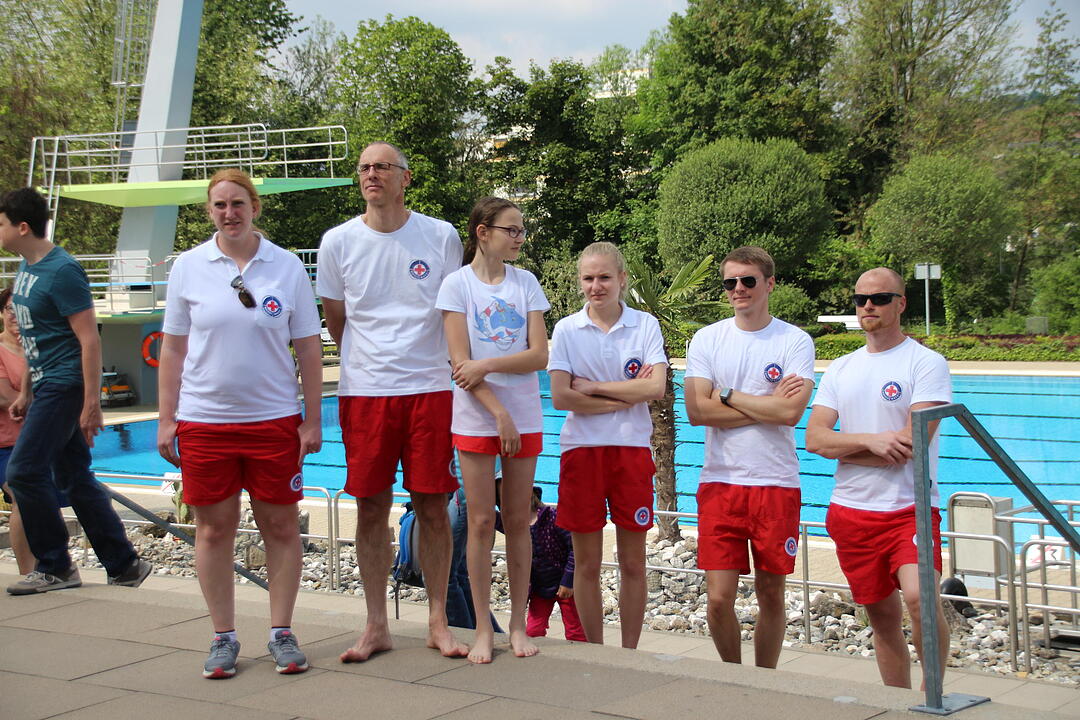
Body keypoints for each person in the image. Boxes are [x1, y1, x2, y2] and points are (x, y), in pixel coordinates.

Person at [156, 168, 323, 678]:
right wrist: (167, 420)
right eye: (219, 205)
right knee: (212, 530)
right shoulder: (188, 267)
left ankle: (281, 632)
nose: (229, 213)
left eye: (238, 204)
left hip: (273, 420)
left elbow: (309, 348)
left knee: (279, 525)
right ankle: (223, 637)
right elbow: (174, 348)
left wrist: (312, 419)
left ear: (254, 207)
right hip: (205, 421)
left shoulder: (286, 266)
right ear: (210, 212)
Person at [317, 142, 468, 662]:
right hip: (366, 392)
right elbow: (336, 320)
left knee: (433, 506)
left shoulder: (440, 235)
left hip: (430, 389)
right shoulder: (337, 242)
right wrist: (369, 359)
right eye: (363, 168)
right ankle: (376, 624)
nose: (371, 174)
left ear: (406, 177)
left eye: (382, 166)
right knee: (369, 507)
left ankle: (437, 622)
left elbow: (454, 308)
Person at [805, 267, 952, 689]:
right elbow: (815, 439)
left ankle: (934, 698)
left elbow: (910, 446)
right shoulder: (841, 369)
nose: (868, 305)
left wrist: (847, 449)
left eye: (881, 298)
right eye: (861, 299)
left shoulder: (926, 364)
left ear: (901, 304)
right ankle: (899, 702)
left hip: (909, 509)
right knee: (883, 620)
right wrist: (872, 443)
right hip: (851, 513)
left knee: (921, 599)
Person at [0, 187, 151, 596]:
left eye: (1, 223)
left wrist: (91, 403)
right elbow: (37, 338)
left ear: (23, 226)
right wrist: (26, 390)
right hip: (45, 384)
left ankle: (55, 566)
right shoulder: (27, 270)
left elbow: (89, 340)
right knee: (74, 476)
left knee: (23, 472)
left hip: (65, 385)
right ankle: (125, 564)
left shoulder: (62, 270)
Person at [683, 246, 814, 668]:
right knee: (719, 599)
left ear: (769, 284)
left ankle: (766, 678)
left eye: (748, 281)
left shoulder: (794, 340)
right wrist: (761, 406)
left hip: (775, 483)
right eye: (730, 282)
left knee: (771, 593)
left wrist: (726, 395)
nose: (738, 289)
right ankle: (733, 675)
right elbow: (697, 412)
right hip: (720, 482)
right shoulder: (707, 338)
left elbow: (790, 413)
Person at [436, 195, 549, 663]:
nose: (519, 238)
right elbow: (459, 366)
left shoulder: (526, 285)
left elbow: (538, 356)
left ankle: (518, 627)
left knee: (518, 521)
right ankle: (484, 627)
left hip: (523, 415)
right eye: (512, 230)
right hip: (479, 417)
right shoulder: (456, 286)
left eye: (521, 231)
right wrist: (499, 412)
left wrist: (489, 365)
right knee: (482, 521)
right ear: (483, 232)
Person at [548, 241, 667, 649]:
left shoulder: (645, 325)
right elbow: (562, 397)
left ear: (622, 280)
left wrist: (597, 389)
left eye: (604, 277)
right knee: (587, 565)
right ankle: (597, 652)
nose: (596, 286)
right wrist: (626, 396)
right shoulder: (566, 329)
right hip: (581, 451)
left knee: (633, 563)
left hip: (630, 450)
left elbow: (655, 386)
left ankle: (630, 651)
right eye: (588, 278)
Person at [0, 287, 67, 574]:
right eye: (10, 309)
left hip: (43, 440)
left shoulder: (40, 349)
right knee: (23, 498)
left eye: (21, 309)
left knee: (47, 503)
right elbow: (5, 398)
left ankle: (51, 567)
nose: (16, 315)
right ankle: (29, 571)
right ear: (2, 312)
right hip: (8, 444)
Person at [523, 486, 586, 643]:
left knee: (574, 629)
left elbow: (574, 548)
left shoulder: (553, 517)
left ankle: (581, 658)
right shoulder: (516, 525)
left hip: (564, 584)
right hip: (540, 587)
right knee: (533, 630)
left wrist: (568, 581)